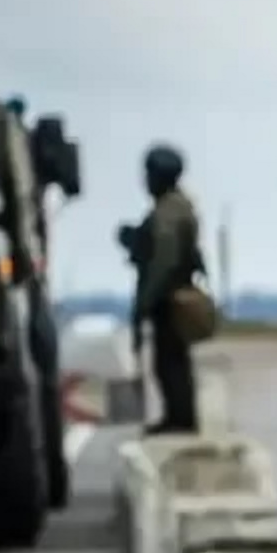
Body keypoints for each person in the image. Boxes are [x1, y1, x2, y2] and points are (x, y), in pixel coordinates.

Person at [117, 143, 202, 434]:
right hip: (174, 292)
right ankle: (179, 415)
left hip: (169, 296)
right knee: (172, 359)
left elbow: (163, 261)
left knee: (169, 361)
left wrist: (146, 301)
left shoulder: (168, 213)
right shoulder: (177, 206)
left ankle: (179, 418)